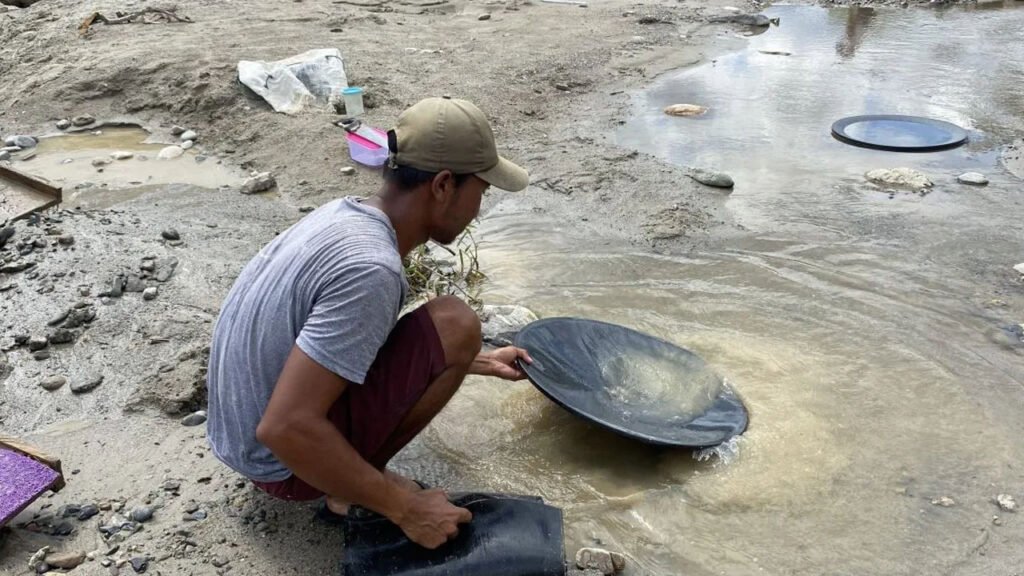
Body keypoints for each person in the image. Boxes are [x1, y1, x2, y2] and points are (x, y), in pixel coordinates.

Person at [205, 97, 532, 550]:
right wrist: (407, 508)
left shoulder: (344, 214)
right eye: (481, 190)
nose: (480, 206)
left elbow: (336, 342)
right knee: (455, 322)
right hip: (279, 463)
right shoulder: (372, 268)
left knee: (455, 337)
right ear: (442, 185)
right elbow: (283, 427)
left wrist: (477, 361)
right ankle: (341, 491)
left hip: (236, 437)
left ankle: (346, 478)